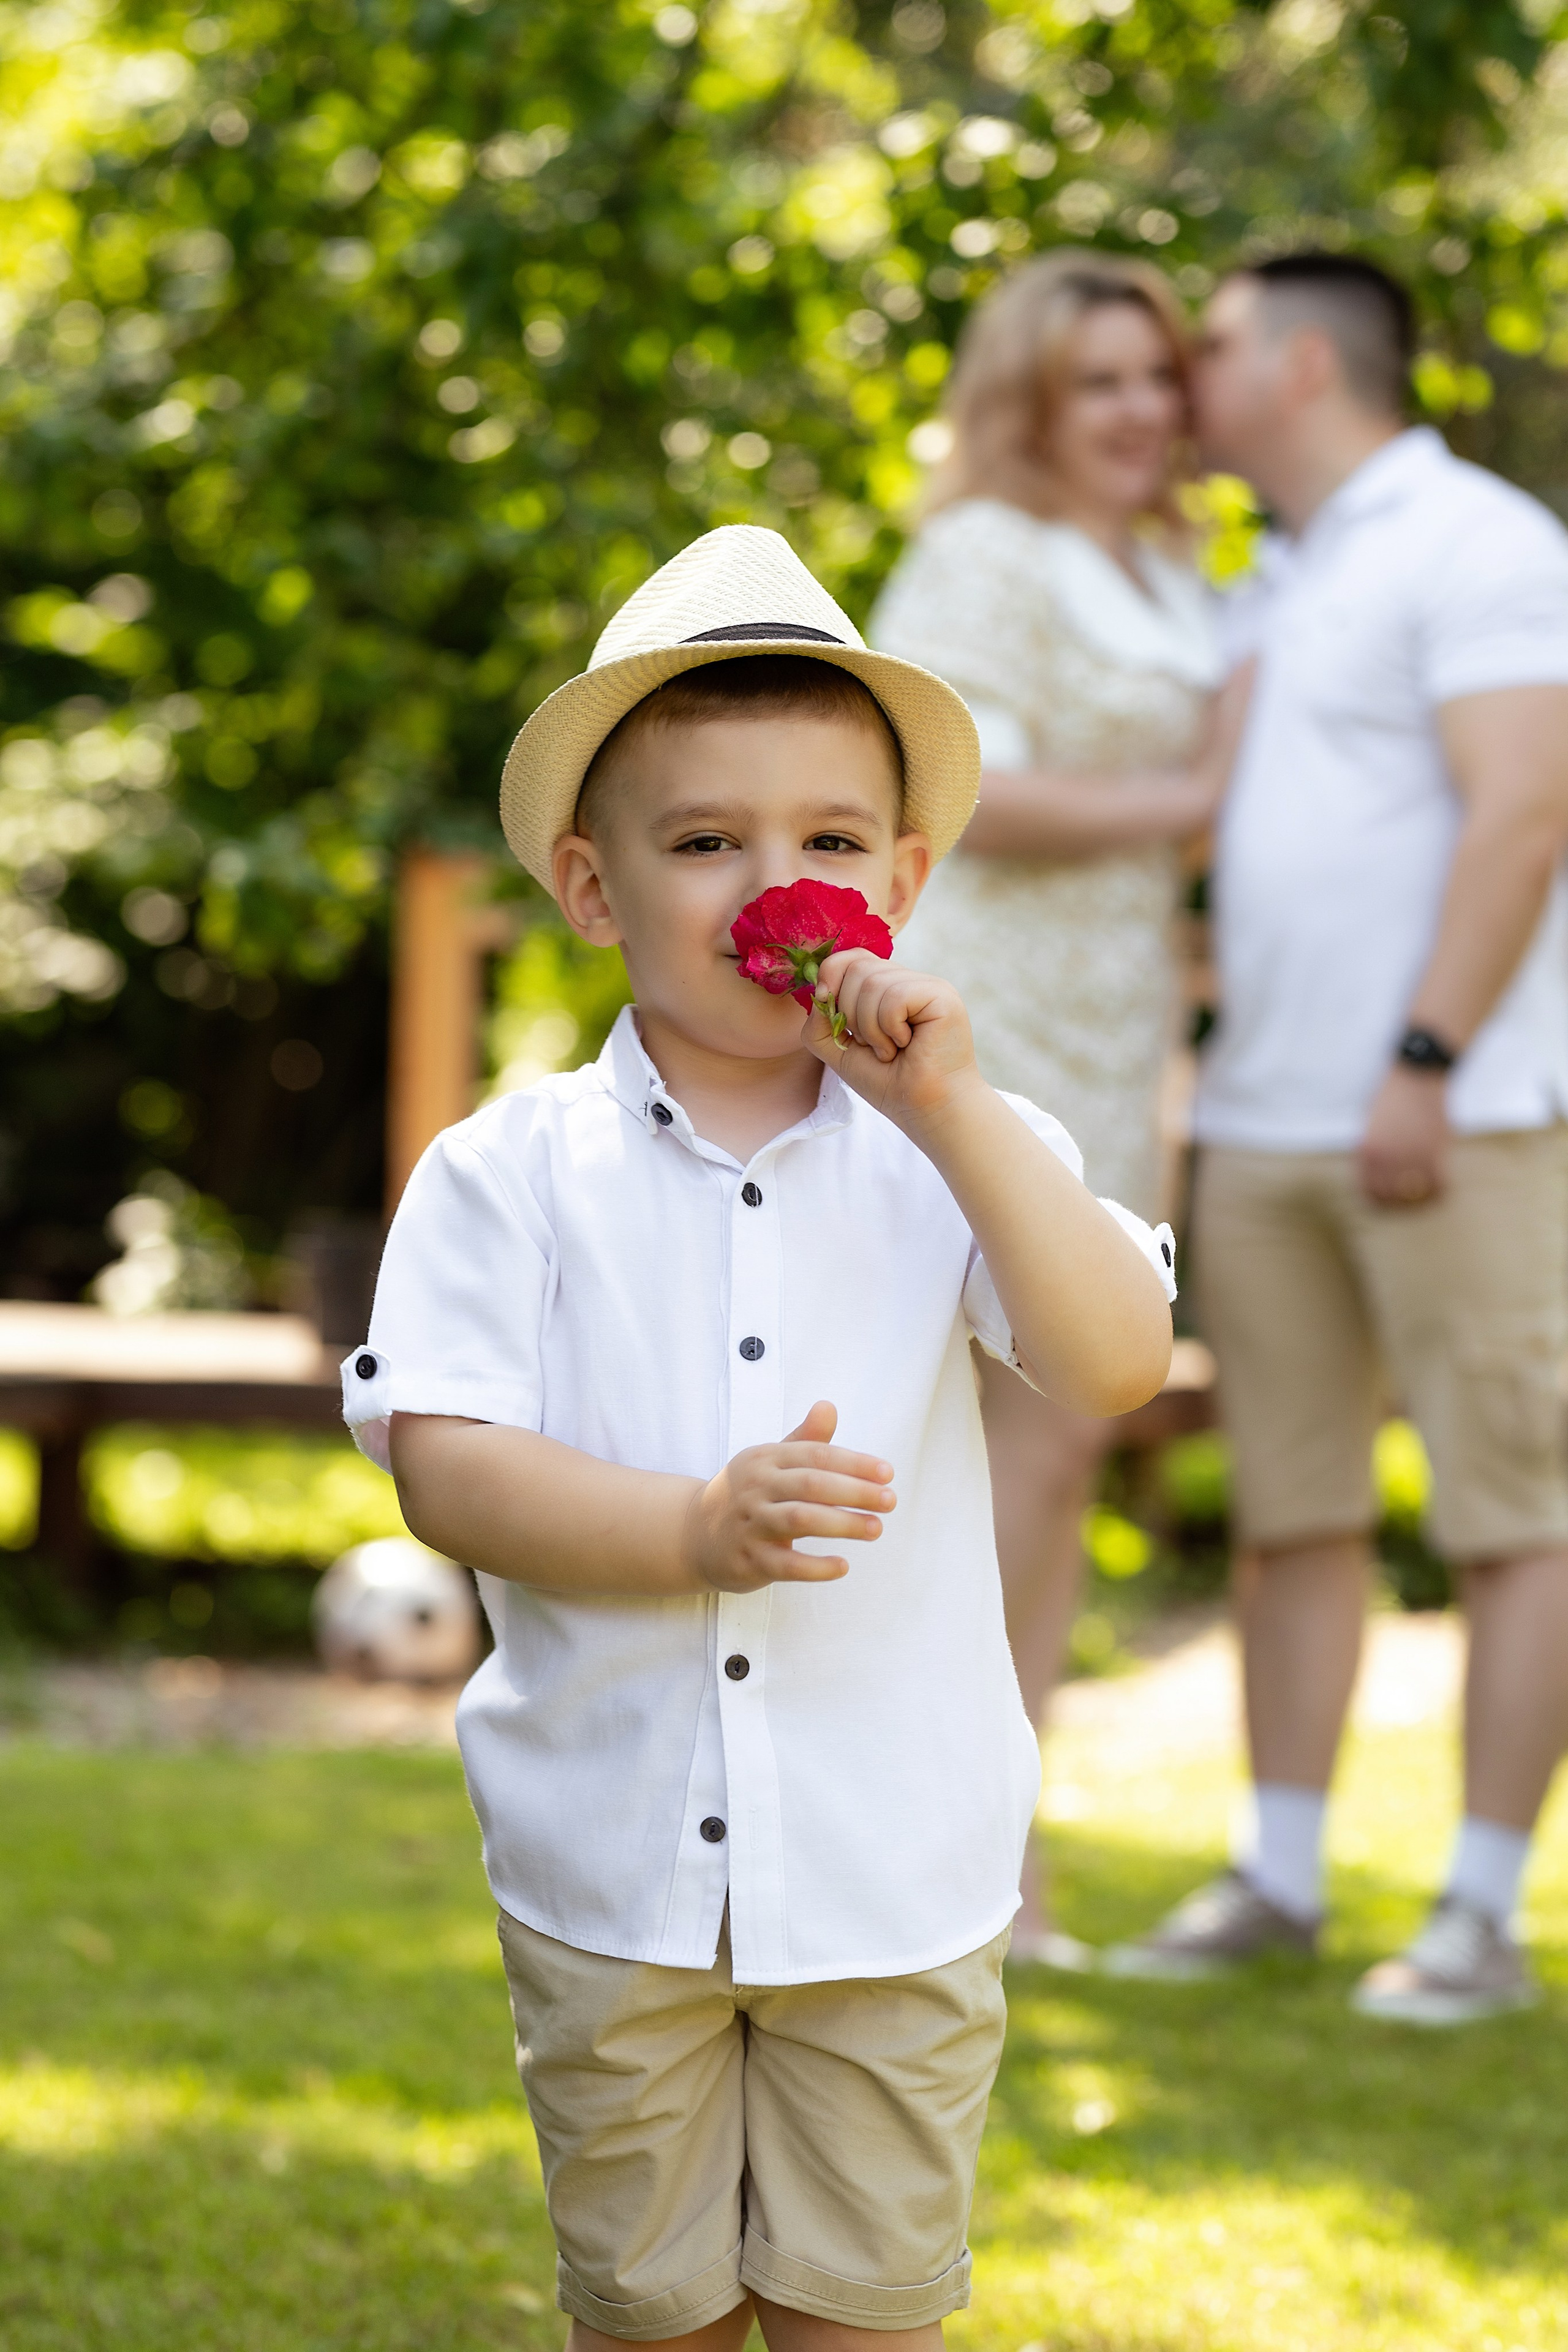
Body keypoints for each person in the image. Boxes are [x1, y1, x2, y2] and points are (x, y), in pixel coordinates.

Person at [342, 526, 1177, 2351]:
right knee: (651, 2320)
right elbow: (445, 1462)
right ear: (589, 885)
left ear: (907, 880)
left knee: (866, 2317)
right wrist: (690, 1526)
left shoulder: (964, 1146)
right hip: (618, 1875)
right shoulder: (507, 1174)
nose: (767, 886)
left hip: (894, 1871)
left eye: (829, 843)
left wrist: (955, 1115)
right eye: (706, 842)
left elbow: (1118, 1360)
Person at [1107, 254, 1568, 2023]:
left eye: (1206, 349)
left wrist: (1428, 1058)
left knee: (1508, 1513)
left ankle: (1480, 1913)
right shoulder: (1266, 577)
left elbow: (1526, 814)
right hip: (1261, 1117)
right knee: (1293, 1512)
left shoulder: (1485, 543)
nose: (1178, 378)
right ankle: (1281, 1877)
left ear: (1302, 365)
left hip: (1454, 1114)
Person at [870, 251, 1239, 1964]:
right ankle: (923, 1851)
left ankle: (1003, 1866)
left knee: (1064, 1445)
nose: (1143, 410)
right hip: (983, 1028)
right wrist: (1189, 796)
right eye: (1100, 381)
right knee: (954, 1451)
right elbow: (959, 789)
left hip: (1114, 1037)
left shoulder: (1171, 569)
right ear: (1028, 398)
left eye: (1158, 376)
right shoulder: (984, 552)